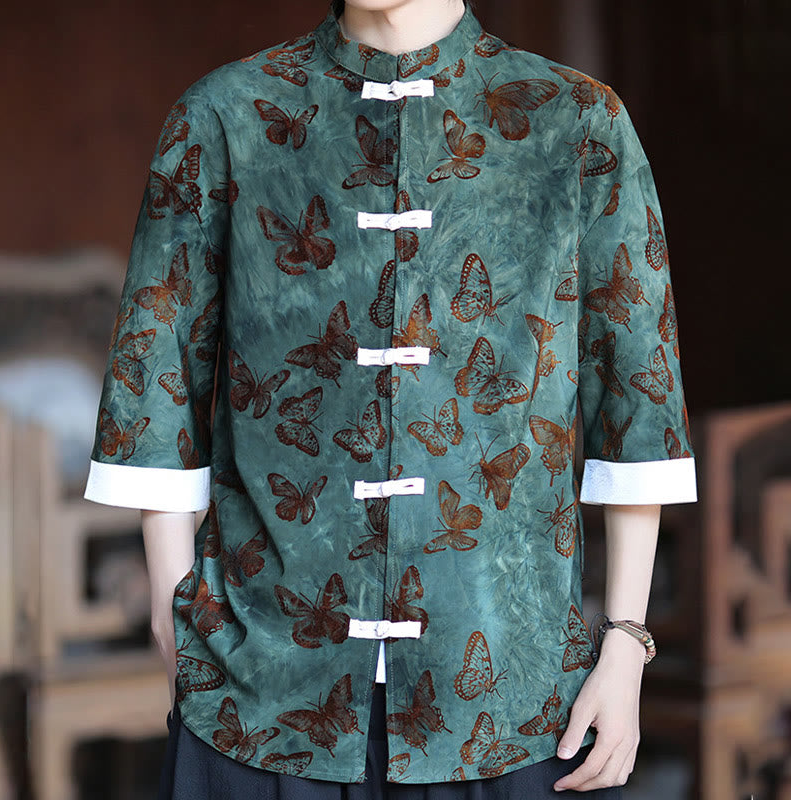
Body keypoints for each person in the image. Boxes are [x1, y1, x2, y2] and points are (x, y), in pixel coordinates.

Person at [83, 0, 698, 796]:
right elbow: (157, 374)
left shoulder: (575, 122)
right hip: (260, 695)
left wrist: (625, 643)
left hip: (509, 699)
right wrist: (176, 627)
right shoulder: (224, 116)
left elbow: (639, 396)